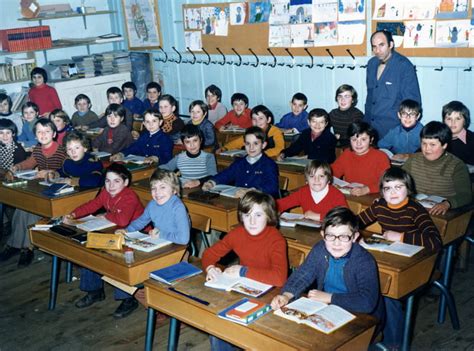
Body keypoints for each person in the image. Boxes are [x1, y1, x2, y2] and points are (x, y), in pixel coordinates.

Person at [358, 167, 442, 349]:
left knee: (389, 295)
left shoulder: (415, 209)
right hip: (388, 260)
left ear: (408, 189)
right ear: (382, 191)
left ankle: (394, 344)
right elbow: (357, 222)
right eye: (388, 188)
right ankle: (368, 336)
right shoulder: (379, 205)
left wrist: (400, 237)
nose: (393, 192)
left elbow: (434, 241)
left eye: (399, 187)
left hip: (414, 264)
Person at [271, 206, 384, 331]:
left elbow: (366, 302)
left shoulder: (364, 261)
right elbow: (303, 274)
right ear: (323, 234)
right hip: (326, 308)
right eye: (330, 236)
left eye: (344, 237)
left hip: (362, 316)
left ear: (355, 237)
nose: (336, 243)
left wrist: (329, 297)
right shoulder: (320, 249)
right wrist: (287, 295)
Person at [203, 190, 288, 351]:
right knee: (218, 322)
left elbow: (279, 278)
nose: (251, 221)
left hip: (272, 296)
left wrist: (242, 271)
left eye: (258, 215)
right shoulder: (238, 233)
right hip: (245, 290)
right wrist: (210, 268)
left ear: (269, 216)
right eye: (246, 214)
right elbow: (209, 254)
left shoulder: (276, 239)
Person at [64, 163, 144, 318]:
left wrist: (105, 216)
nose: (111, 185)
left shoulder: (129, 196)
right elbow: (92, 205)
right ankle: (94, 291)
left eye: (116, 181)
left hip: (136, 234)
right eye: (108, 181)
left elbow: (122, 219)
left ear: (125, 182)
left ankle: (128, 299)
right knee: (89, 245)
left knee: (117, 255)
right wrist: (73, 214)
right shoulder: (105, 192)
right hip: (116, 230)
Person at [1, 119, 67, 267]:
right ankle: (17, 245)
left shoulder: (62, 151)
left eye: (47, 131)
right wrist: (17, 167)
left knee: (32, 206)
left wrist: (52, 173)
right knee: (24, 205)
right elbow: (29, 163)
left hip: (60, 193)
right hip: (43, 188)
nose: (43, 135)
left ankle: (26, 247)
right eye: (39, 132)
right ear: (35, 135)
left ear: (54, 134)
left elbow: (67, 172)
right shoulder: (38, 149)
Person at [403, 121, 472, 215]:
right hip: (415, 207)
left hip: (443, 211)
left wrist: (447, 204)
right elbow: (398, 181)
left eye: (432, 144)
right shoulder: (413, 160)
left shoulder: (457, 165)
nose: (427, 149)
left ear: (444, 145)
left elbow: (465, 195)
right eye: (424, 143)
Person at [365, 30, 421, 138]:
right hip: (371, 128)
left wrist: (404, 131)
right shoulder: (371, 64)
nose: (377, 50)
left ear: (391, 44)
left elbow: (412, 102)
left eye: (381, 45)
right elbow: (370, 97)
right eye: (374, 46)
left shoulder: (404, 66)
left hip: (393, 130)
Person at [117, 169, 190, 245]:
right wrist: (127, 231)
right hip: (160, 241)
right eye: (154, 188)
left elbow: (183, 239)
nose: (157, 192)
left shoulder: (178, 207)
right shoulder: (152, 204)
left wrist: (160, 234)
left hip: (177, 246)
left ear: (174, 190)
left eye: (162, 187)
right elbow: (141, 221)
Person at [202, 127, 279, 198]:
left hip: (259, 202)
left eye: (255, 143)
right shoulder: (239, 162)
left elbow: (272, 186)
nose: (251, 147)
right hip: (239, 200)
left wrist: (253, 191)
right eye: (248, 143)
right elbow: (226, 175)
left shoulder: (269, 164)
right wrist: (211, 182)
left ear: (263, 145)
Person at [332, 121, 390, 196]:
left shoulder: (381, 157)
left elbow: (387, 182)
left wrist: (367, 189)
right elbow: (334, 171)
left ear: (371, 140)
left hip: (374, 196)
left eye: (363, 139)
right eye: (354, 139)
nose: (358, 143)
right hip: (352, 195)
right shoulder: (347, 153)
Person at [277, 160, 347, 221]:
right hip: (308, 232)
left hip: (332, 232)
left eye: (321, 176)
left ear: (329, 180)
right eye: (312, 176)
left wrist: (318, 216)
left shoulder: (336, 195)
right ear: (306, 181)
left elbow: (344, 216)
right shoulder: (303, 192)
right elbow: (280, 204)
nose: (316, 180)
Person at [160, 124, 217, 189]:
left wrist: (198, 181)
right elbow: (165, 167)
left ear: (201, 140)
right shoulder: (179, 157)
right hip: (185, 189)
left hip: (202, 189)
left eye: (195, 140)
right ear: (183, 143)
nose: (192, 145)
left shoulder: (208, 157)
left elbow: (213, 176)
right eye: (187, 142)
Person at [219, 105, 284, 158]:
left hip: (271, 158)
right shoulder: (252, 131)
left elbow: (280, 148)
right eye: (254, 119)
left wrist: (260, 154)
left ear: (268, 119)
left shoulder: (276, 132)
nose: (257, 122)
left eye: (261, 118)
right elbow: (238, 142)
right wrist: (225, 148)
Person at [442, 100, 473, 166]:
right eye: (449, 119)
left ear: (465, 121)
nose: (453, 123)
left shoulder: (472, 140)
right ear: (444, 121)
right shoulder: (438, 137)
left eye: (458, 119)